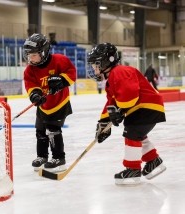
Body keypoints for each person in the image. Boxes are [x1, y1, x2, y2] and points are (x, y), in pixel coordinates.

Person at [86, 42, 166, 185]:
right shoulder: (111, 80)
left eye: (96, 65)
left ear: (107, 62)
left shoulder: (120, 71)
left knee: (131, 134)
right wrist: (103, 123)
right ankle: (154, 162)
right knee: (138, 135)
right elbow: (111, 102)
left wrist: (120, 110)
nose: (95, 70)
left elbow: (129, 95)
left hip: (146, 107)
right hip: (145, 108)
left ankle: (133, 169)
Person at [23, 33, 76, 172]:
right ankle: (42, 156)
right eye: (28, 55)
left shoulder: (60, 60)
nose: (30, 58)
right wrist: (35, 95)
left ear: (44, 52)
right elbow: (30, 83)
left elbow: (71, 72)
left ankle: (59, 158)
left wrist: (61, 81)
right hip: (43, 105)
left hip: (59, 103)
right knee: (40, 131)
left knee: (53, 131)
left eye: (33, 55)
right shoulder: (30, 69)